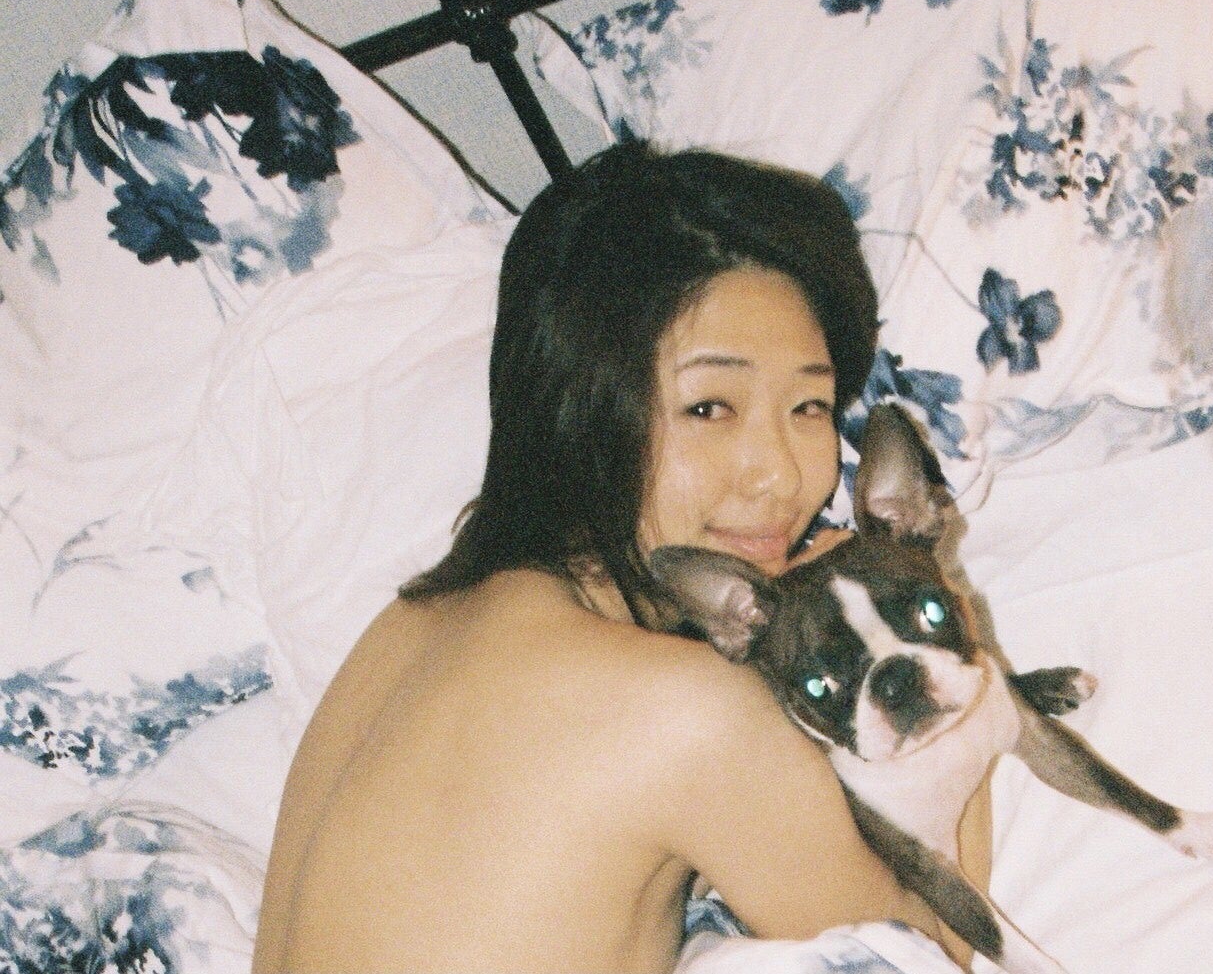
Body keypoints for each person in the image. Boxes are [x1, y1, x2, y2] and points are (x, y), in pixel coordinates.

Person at [252, 141, 989, 974]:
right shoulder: (689, 712)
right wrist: (939, 620)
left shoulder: (410, 620)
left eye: (809, 406)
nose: (780, 474)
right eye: (709, 407)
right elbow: (940, 945)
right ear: (583, 412)